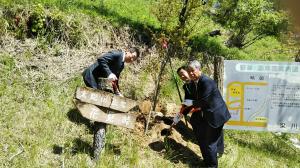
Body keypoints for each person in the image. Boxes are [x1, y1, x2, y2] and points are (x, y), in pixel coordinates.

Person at [82, 47, 140, 160]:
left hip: (98, 80)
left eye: (134, 59)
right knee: (97, 100)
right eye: (132, 57)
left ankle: (96, 122)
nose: (132, 60)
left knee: (99, 100)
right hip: (91, 76)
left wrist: (117, 92)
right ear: (128, 51)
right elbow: (101, 59)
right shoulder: (117, 54)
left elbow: (115, 78)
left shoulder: (122, 64)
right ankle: (95, 122)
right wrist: (108, 73)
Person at [181, 60, 231, 168]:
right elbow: (193, 99)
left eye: (192, 71)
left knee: (209, 143)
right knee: (203, 140)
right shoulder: (195, 82)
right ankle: (207, 162)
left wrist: (190, 103)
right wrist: (184, 110)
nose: (190, 74)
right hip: (206, 115)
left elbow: (204, 101)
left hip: (216, 115)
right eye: (189, 72)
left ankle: (212, 166)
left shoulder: (206, 81)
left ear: (199, 69)